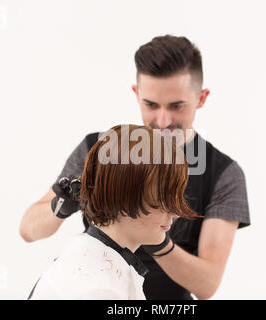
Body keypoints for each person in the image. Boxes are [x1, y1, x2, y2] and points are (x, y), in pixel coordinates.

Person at [20, 34, 251, 300]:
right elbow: (28, 229)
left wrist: (151, 230)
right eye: (151, 105)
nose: (163, 121)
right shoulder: (103, 149)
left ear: (201, 98)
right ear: (136, 94)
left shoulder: (223, 174)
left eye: (177, 106)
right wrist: (64, 204)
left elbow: (207, 285)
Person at [28, 124, 200, 299]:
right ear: (124, 196)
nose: (175, 212)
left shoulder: (93, 262)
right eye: (165, 198)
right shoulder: (99, 290)